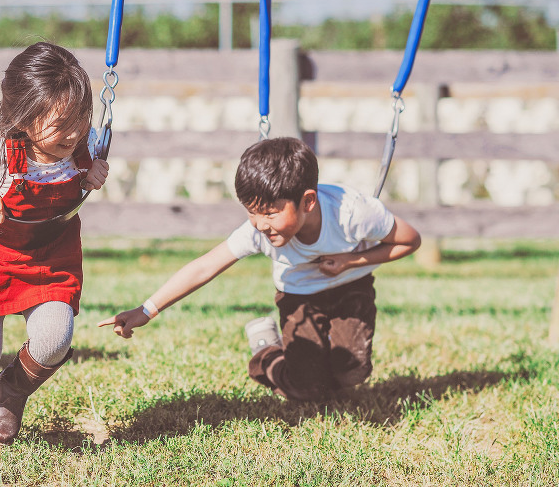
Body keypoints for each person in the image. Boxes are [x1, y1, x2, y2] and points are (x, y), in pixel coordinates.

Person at [100, 137, 420, 404]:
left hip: (352, 287)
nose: (260, 224)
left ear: (307, 201)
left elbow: (409, 240)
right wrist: (146, 309)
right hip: (299, 296)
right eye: (251, 212)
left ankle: (325, 374)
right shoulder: (258, 230)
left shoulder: (354, 213)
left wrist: (350, 262)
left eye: (269, 212)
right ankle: (268, 352)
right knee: (307, 388)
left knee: (353, 372)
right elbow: (205, 266)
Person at [0, 42, 109, 446]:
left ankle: (14, 390)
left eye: (81, 119)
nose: (73, 133)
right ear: (22, 117)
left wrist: (93, 174)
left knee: (56, 338)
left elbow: (85, 160)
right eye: (60, 124)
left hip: (52, 254)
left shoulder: (80, 142)